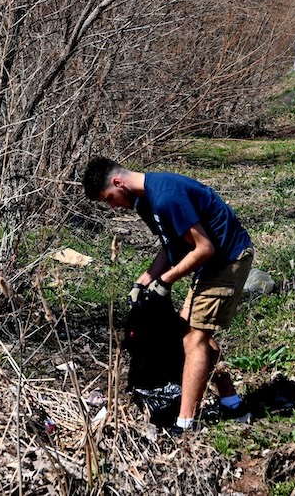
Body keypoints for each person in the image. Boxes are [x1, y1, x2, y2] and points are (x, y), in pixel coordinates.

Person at [82, 157, 255, 433]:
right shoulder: (146, 201)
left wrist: (165, 280)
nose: (113, 206)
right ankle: (232, 403)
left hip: (227, 258)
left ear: (118, 183)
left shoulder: (165, 197)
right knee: (186, 332)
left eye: (109, 199)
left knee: (194, 339)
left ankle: (185, 425)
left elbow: (204, 248)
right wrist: (146, 279)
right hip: (208, 264)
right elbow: (171, 244)